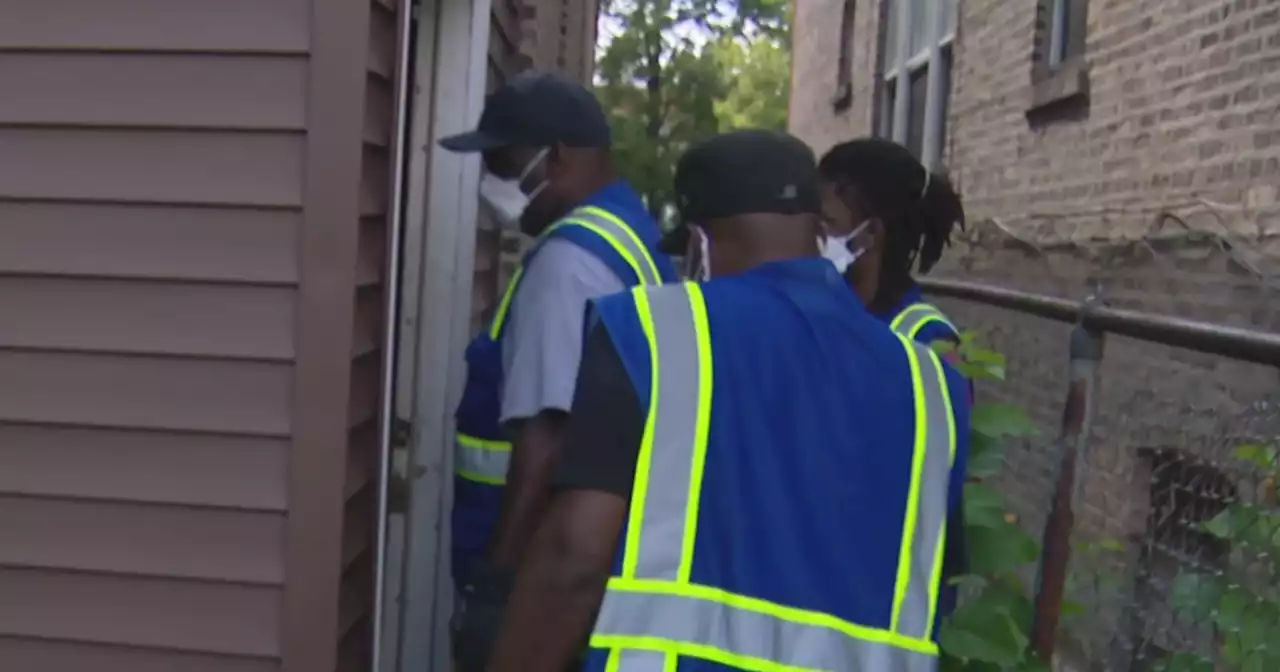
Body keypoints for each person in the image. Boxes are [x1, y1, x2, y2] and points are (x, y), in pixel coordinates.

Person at [487, 129, 971, 672]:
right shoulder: (934, 389)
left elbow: (575, 554)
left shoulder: (651, 333)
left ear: (698, 243)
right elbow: (931, 580)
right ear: (816, 233)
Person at [438, 71, 678, 670]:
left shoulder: (566, 266)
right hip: (605, 565)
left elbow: (546, 442)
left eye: (503, 161)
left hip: (537, 577)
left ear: (560, 156)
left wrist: (494, 593)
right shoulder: (629, 237)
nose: (491, 180)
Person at [816, 137, 966, 347]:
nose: (812, 233)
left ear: (871, 233)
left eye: (827, 222)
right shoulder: (820, 311)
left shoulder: (931, 339)